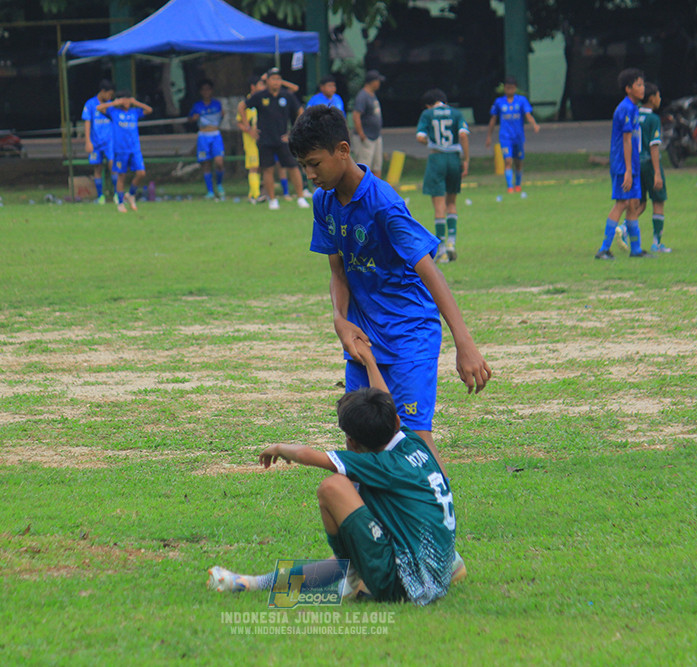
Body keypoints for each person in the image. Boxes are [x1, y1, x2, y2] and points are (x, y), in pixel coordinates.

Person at [288, 105, 491, 475]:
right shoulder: (324, 202)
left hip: (408, 332)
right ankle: (383, 526)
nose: (310, 174)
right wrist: (340, 320)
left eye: (315, 163)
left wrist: (465, 343)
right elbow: (338, 271)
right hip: (364, 336)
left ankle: (439, 519)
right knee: (362, 438)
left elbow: (432, 274)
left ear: (343, 151)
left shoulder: (384, 205)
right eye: (304, 166)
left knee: (411, 440)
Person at [208, 340, 457, 605]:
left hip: (407, 586)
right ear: (395, 421)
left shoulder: (381, 464)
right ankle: (253, 583)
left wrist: (279, 447)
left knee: (334, 487)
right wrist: (370, 362)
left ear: (351, 442)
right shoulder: (411, 442)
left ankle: (351, 577)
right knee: (351, 543)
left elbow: (310, 456)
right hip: (431, 572)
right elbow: (387, 401)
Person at [594, 68, 651, 260]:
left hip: (631, 164)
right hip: (622, 165)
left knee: (634, 204)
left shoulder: (634, 107)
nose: (643, 88)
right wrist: (627, 170)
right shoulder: (625, 108)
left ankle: (636, 250)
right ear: (628, 89)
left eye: (643, 84)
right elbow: (626, 140)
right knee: (622, 202)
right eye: (638, 85)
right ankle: (603, 249)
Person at [236, 67, 309, 210]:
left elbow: (300, 111)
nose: (276, 82)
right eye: (273, 79)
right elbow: (242, 107)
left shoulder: (287, 96)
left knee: (293, 167)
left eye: (278, 79)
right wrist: (249, 128)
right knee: (267, 169)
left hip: (283, 139)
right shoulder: (260, 96)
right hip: (265, 139)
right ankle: (272, 200)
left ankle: (300, 197)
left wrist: (293, 131)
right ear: (267, 81)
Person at [416, 88, 470, 265]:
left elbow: (420, 137)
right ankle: (452, 243)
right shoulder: (456, 113)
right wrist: (466, 159)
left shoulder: (428, 114)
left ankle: (441, 251)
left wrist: (431, 141)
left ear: (430, 104)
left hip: (437, 158)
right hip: (454, 159)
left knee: (439, 205)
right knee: (452, 202)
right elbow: (463, 135)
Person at [98, 91, 154, 213]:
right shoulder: (114, 112)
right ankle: (120, 203)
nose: (127, 102)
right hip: (120, 150)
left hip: (134, 149)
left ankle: (131, 194)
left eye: (128, 100)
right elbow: (99, 108)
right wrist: (114, 103)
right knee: (121, 176)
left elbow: (149, 110)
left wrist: (136, 102)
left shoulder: (135, 112)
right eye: (124, 100)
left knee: (141, 173)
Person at [484, 75, 540, 194]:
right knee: (508, 160)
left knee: (518, 162)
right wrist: (489, 136)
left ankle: (518, 184)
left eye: (512, 88)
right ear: (505, 88)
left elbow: (528, 114)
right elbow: (493, 119)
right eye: (508, 88)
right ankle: (510, 187)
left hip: (518, 136)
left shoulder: (521, 100)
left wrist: (534, 124)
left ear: (515, 88)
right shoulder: (499, 102)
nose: (510, 90)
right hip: (505, 137)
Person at [638, 82, 671, 253]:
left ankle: (622, 228)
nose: (660, 99)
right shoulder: (653, 119)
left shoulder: (634, 115)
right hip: (649, 164)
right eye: (658, 96)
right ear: (652, 99)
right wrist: (657, 173)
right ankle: (656, 243)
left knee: (640, 203)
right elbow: (654, 146)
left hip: (636, 164)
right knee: (658, 201)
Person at [189, 79, 226, 200]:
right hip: (203, 136)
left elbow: (221, 117)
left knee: (219, 162)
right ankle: (210, 191)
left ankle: (219, 184)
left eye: (208, 89)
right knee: (206, 163)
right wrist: (194, 118)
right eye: (204, 90)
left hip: (215, 134)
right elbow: (190, 119)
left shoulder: (217, 104)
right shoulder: (197, 106)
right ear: (201, 92)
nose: (206, 92)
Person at [82, 80, 116, 204]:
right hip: (95, 142)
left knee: (113, 165)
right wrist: (88, 142)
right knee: (97, 168)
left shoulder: (111, 104)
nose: (110, 97)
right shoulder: (90, 104)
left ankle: (117, 194)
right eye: (109, 94)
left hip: (110, 141)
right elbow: (87, 122)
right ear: (103, 91)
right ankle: (100, 196)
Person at [352, 70, 385, 178]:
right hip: (366, 137)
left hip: (375, 136)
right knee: (364, 168)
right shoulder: (363, 96)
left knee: (377, 166)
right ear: (372, 82)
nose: (379, 83)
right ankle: (363, 193)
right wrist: (361, 134)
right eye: (378, 81)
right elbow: (356, 115)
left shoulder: (372, 95)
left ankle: (376, 192)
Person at [237, 75, 264, 203]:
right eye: (261, 84)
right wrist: (249, 129)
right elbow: (239, 122)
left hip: (263, 139)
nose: (263, 87)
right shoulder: (247, 103)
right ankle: (256, 195)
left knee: (259, 167)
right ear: (253, 87)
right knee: (254, 166)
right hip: (250, 140)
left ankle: (252, 194)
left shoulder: (262, 101)